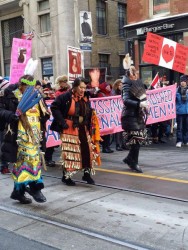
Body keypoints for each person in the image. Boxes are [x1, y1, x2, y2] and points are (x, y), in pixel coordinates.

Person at [0, 75, 50, 204]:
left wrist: (45, 115)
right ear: (20, 85)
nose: (29, 90)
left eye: (31, 88)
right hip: (18, 136)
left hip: (35, 136)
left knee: (34, 160)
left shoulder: (36, 96)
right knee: (25, 161)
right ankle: (35, 188)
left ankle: (18, 192)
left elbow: (44, 112)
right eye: (26, 88)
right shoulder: (10, 95)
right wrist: (12, 115)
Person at [50, 77, 101, 186]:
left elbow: (87, 110)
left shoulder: (86, 96)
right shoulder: (65, 96)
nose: (83, 90)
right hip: (69, 126)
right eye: (81, 87)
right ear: (75, 86)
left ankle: (86, 174)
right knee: (71, 152)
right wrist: (62, 122)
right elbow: (54, 107)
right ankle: (66, 177)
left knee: (87, 150)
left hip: (83, 127)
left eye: (84, 87)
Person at [121, 66, 149, 173]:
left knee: (139, 139)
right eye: (134, 73)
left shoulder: (136, 83)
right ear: (129, 74)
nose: (136, 75)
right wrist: (139, 104)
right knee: (136, 139)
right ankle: (134, 162)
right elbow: (125, 100)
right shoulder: (126, 84)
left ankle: (129, 159)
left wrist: (144, 104)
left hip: (137, 115)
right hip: (129, 115)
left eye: (136, 73)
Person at [97, 82, 114, 153]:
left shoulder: (110, 94)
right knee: (104, 133)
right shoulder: (100, 94)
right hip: (103, 116)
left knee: (108, 132)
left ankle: (107, 146)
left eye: (109, 86)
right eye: (107, 86)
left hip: (108, 115)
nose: (109, 88)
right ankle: (105, 147)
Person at [0, 77, 11, 174]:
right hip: (2, 125)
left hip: (5, 124)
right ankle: (3, 165)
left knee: (5, 145)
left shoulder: (7, 98)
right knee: (3, 145)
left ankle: (4, 164)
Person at [175, 75, 188, 148]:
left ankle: (185, 140)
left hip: (187, 111)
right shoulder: (177, 90)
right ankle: (179, 141)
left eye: (184, 81)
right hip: (179, 112)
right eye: (181, 81)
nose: (183, 82)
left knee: (186, 127)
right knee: (179, 128)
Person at [112, 79, 123, 151]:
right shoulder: (114, 93)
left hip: (123, 112)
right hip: (116, 113)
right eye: (119, 85)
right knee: (118, 130)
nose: (121, 86)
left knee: (123, 129)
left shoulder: (124, 92)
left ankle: (123, 144)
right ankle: (118, 145)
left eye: (122, 85)